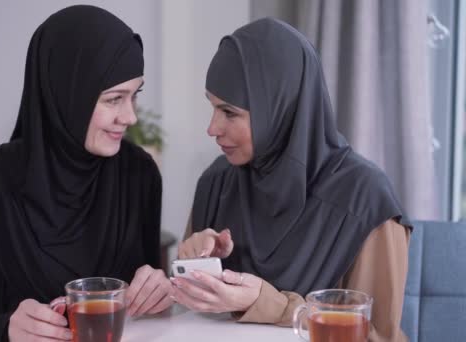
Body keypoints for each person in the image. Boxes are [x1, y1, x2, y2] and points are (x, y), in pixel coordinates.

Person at [0, 5, 172, 342]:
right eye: (114, 99)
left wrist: (158, 292)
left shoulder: (140, 175)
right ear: (67, 94)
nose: (130, 117)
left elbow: (143, 311)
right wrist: (6, 332)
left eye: (135, 96)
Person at [172, 18, 411, 341]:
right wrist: (194, 265)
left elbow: (375, 336)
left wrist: (268, 304)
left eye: (230, 112)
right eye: (212, 107)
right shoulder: (217, 182)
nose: (212, 128)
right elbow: (190, 317)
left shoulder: (365, 201)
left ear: (280, 110)